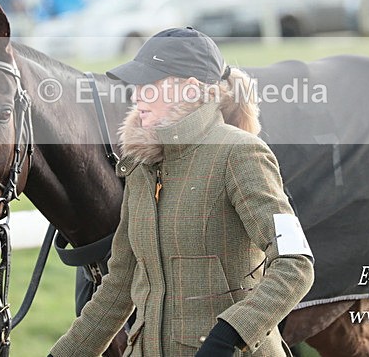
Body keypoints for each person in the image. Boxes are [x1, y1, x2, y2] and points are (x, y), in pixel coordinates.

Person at [48, 27, 314, 357]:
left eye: (148, 85)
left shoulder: (240, 154)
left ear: (188, 89)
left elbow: (295, 264)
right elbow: (118, 287)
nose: (136, 96)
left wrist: (229, 335)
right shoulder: (140, 166)